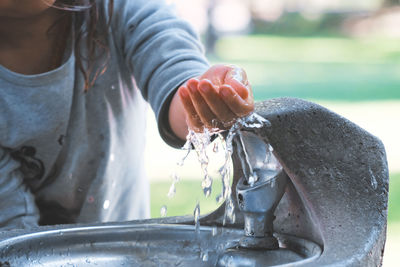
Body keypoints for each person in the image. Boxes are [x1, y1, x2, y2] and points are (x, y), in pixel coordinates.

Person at [0, 0, 254, 229]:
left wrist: (202, 98)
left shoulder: (116, 9)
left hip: (128, 249)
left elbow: (173, 67)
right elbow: (16, 235)